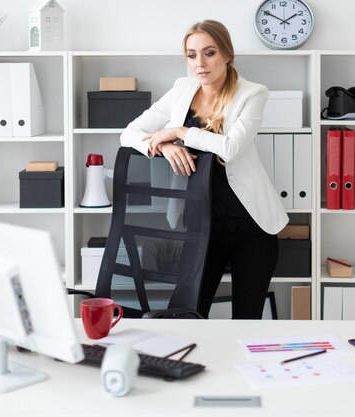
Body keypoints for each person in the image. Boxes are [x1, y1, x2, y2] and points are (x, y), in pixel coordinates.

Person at [121, 20, 288, 319]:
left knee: (246, 321)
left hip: (252, 227)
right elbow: (130, 133)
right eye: (191, 55)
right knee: (186, 315)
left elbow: (231, 147)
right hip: (200, 227)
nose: (200, 64)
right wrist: (164, 146)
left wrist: (180, 132)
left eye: (209, 53)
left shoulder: (252, 93)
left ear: (226, 53)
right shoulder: (181, 90)